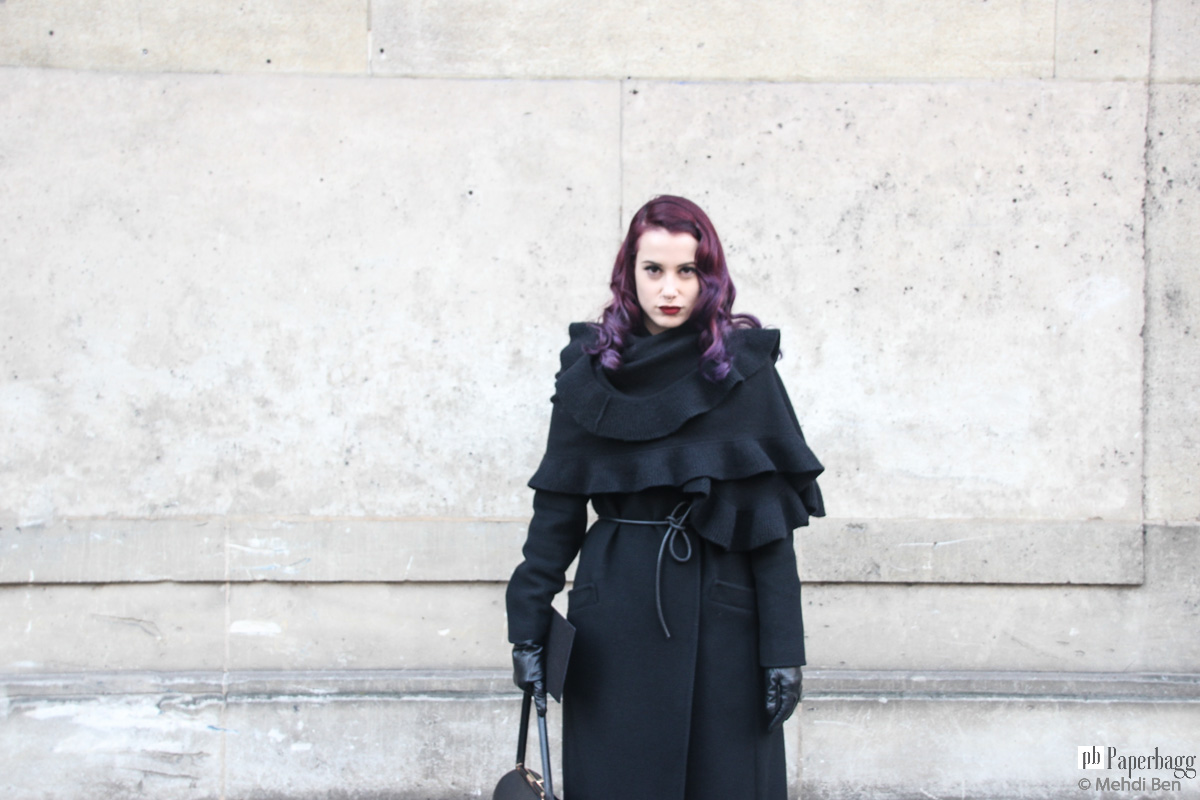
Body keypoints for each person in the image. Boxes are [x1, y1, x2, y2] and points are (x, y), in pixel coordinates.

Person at [505, 195, 824, 800]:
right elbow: (555, 519)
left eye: (688, 271)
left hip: (725, 616)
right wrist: (527, 630)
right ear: (629, 272)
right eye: (654, 269)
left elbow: (770, 525)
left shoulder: (743, 369)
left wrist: (784, 650)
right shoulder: (589, 371)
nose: (670, 288)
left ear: (710, 277)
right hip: (614, 616)